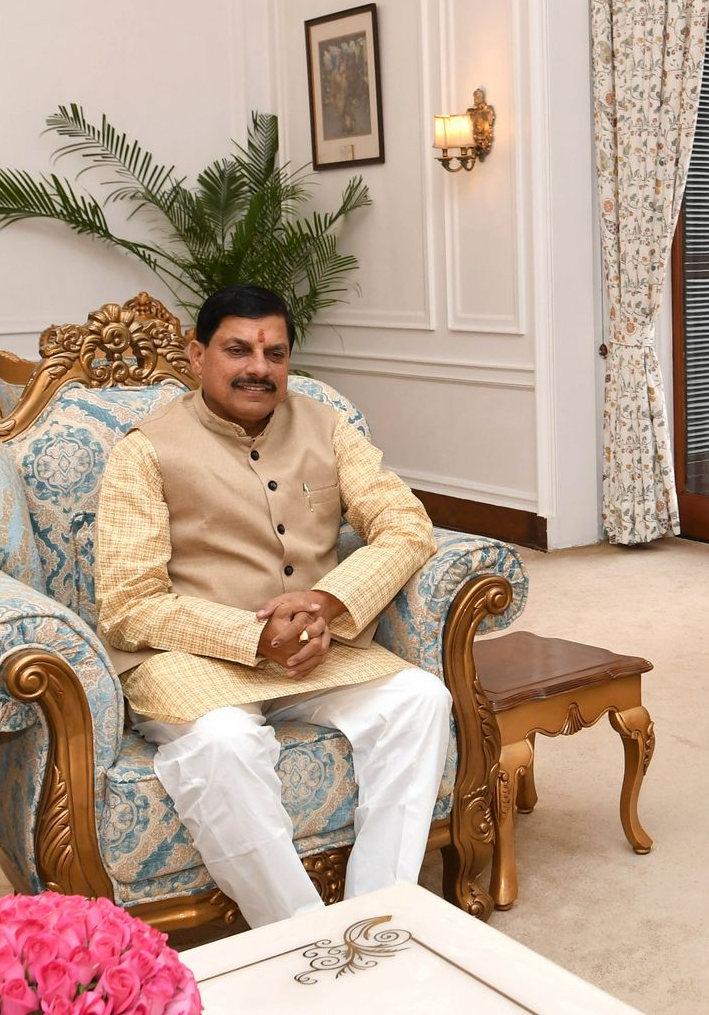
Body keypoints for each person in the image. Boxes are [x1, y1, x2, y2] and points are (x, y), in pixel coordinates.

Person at [95, 284, 447, 928]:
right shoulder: (144, 450)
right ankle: (302, 936)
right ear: (197, 355)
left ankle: (378, 916)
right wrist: (252, 637)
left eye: (275, 353)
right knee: (224, 741)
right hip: (192, 658)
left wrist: (326, 602)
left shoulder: (328, 426)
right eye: (238, 350)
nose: (259, 367)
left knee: (420, 699)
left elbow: (405, 525)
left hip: (317, 648)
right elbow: (127, 603)